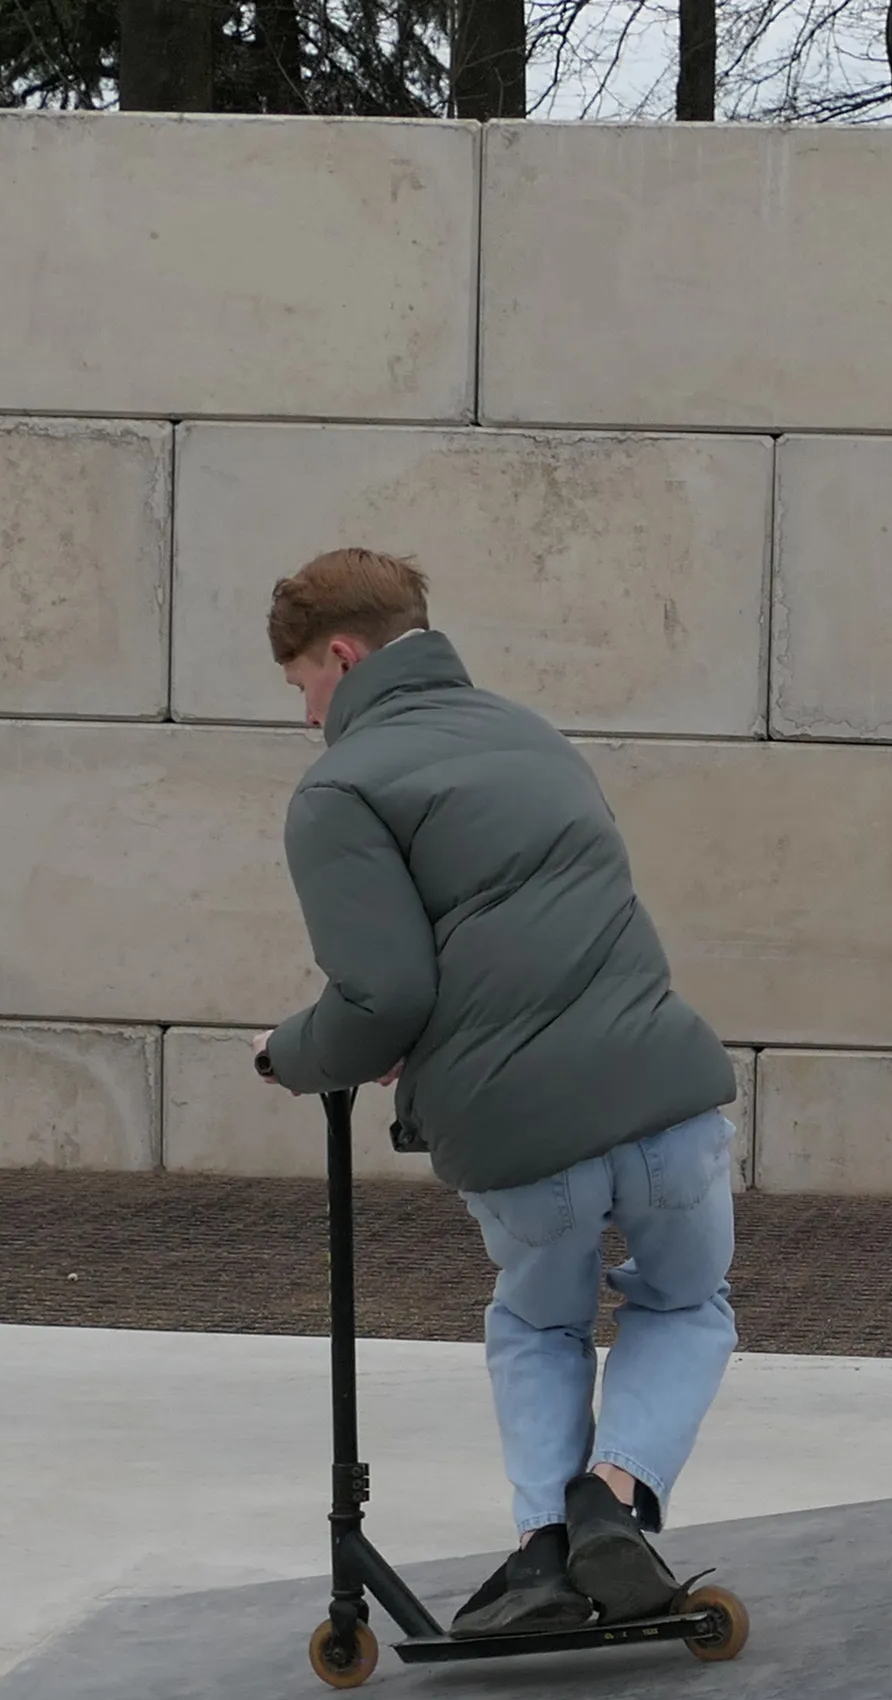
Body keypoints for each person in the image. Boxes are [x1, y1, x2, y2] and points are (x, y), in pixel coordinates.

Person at [249, 546, 740, 1639]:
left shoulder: (340, 790)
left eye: (302, 685)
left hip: (522, 1135)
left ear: (343, 656)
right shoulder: (531, 733)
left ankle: (544, 1551)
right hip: (665, 1094)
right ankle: (612, 1498)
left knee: (539, 1323)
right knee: (684, 1303)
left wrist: (292, 1054)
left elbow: (383, 998)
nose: (308, 714)